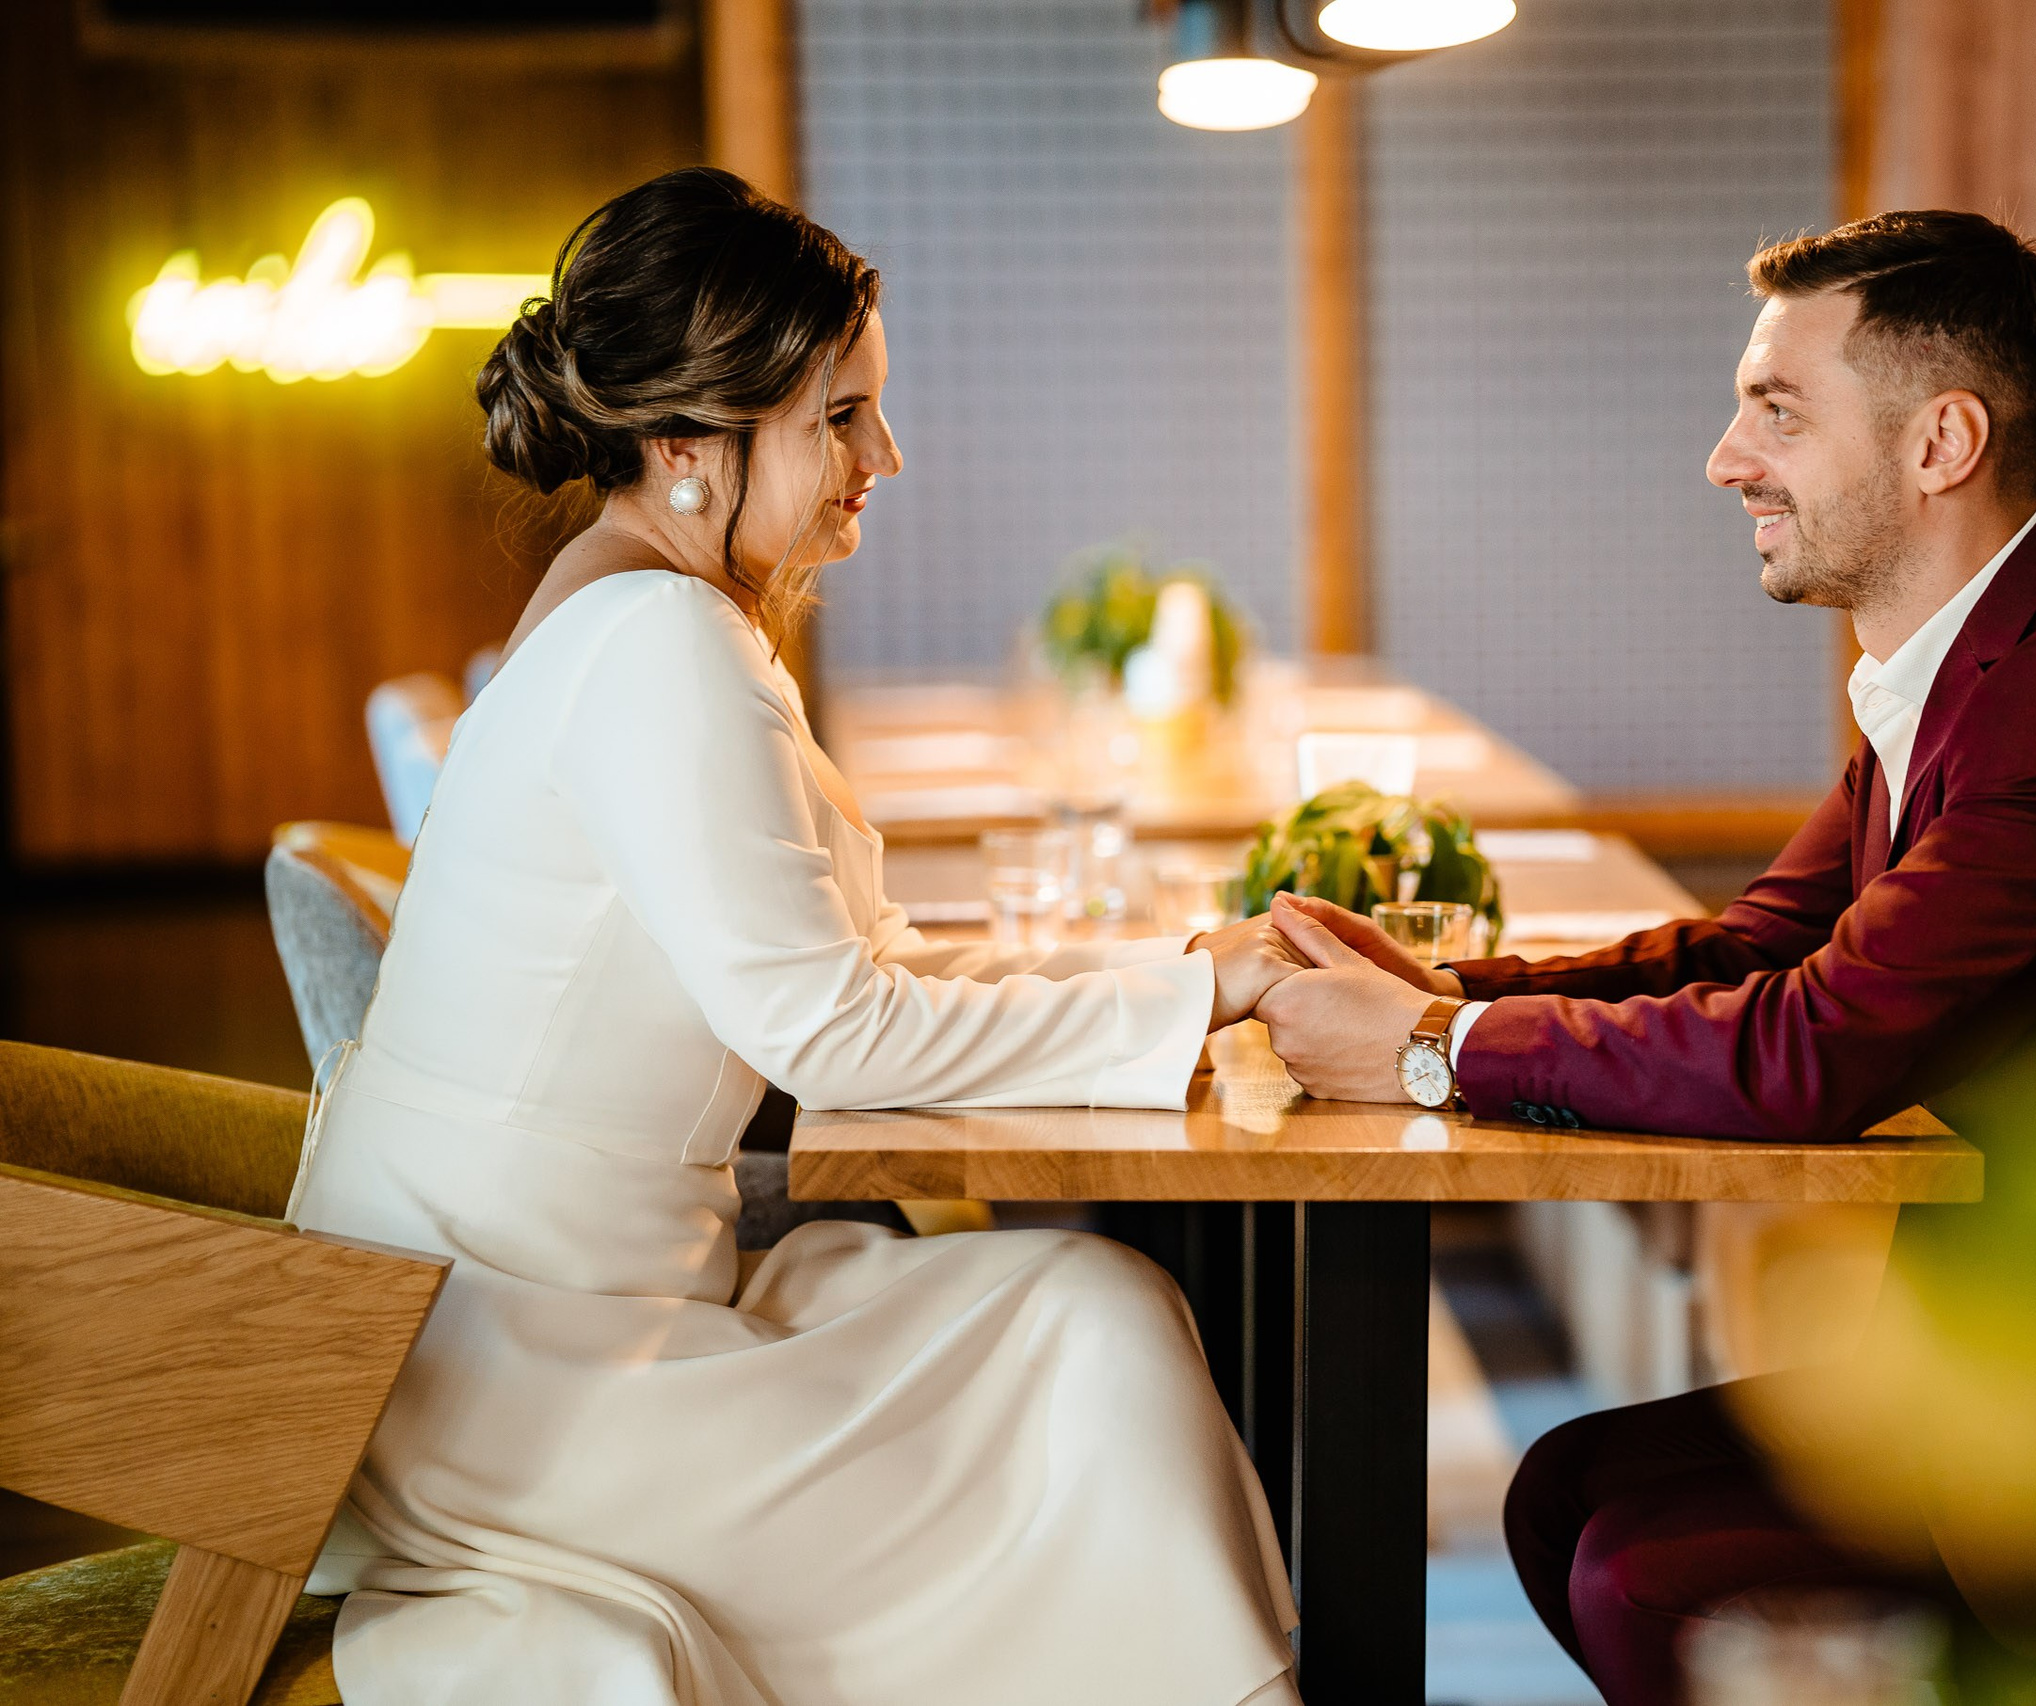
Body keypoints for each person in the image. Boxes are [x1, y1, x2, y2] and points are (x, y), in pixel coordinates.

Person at [1250, 210, 2036, 1702]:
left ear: (1941, 440)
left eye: (1776, 409)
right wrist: (1452, 994)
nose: (1726, 456)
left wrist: (1423, 1055)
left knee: (1654, 1573)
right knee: (1568, 1488)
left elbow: (1810, 1049)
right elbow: (1762, 941)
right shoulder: (1973, 656)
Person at [290, 167, 1307, 1706]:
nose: (883, 457)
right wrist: (1184, 994)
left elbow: (863, 967)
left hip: (527, 1311)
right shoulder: (661, 647)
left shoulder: (647, 610)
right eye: (842, 417)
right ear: (691, 443)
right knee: (1087, 1338)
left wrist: (1185, 981)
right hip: (512, 1376)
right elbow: (833, 1032)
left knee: (1087, 1310)